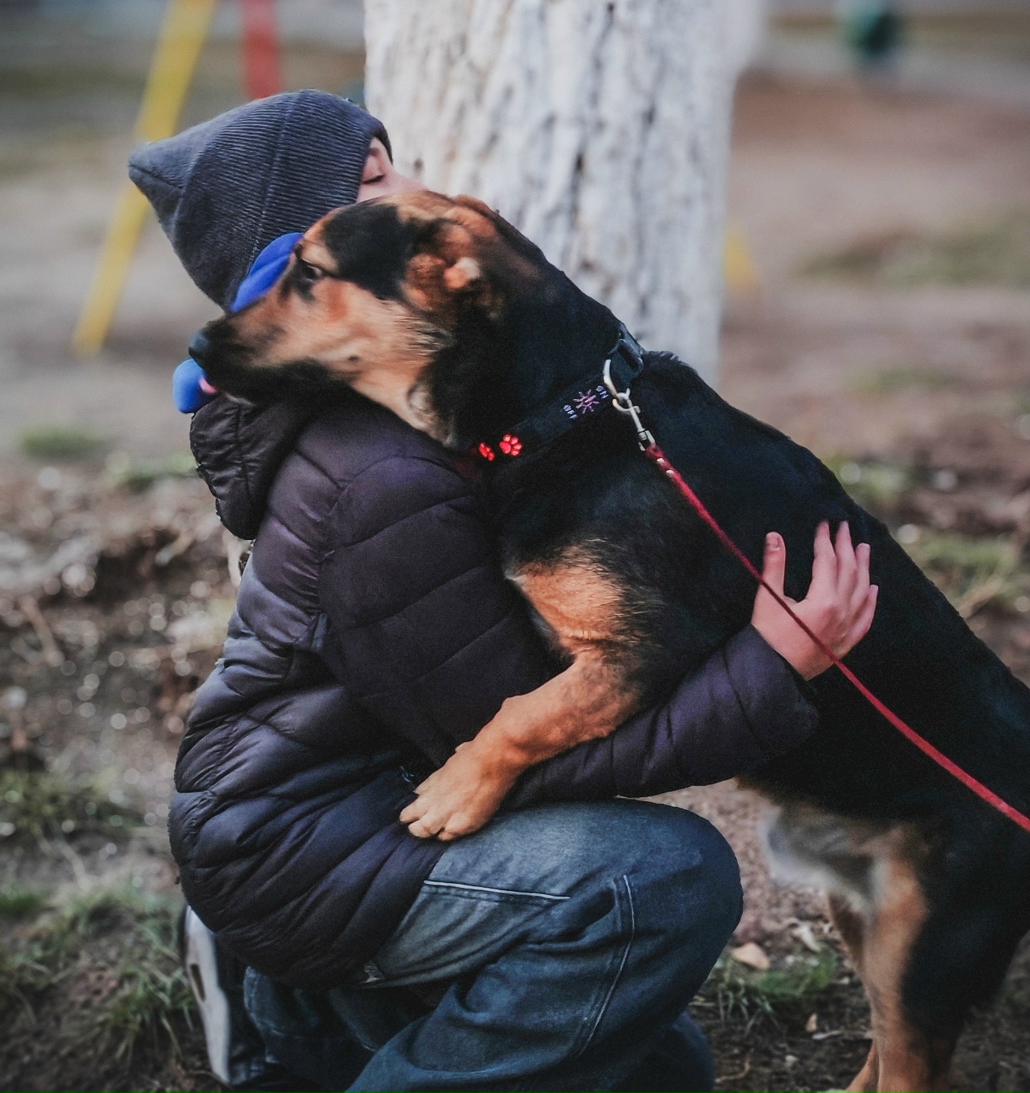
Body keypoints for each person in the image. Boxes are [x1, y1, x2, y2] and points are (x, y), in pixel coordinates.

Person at [131, 90, 876, 1093]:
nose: (422, 193)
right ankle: (291, 982)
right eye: (376, 183)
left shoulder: (416, 414)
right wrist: (769, 672)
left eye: (397, 164)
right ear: (310, 267)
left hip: (345, 806)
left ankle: (298, 1028)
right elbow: (502, 750)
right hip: (311, 849)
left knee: (661, 1072)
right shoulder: (378, 478)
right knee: (663, 885)